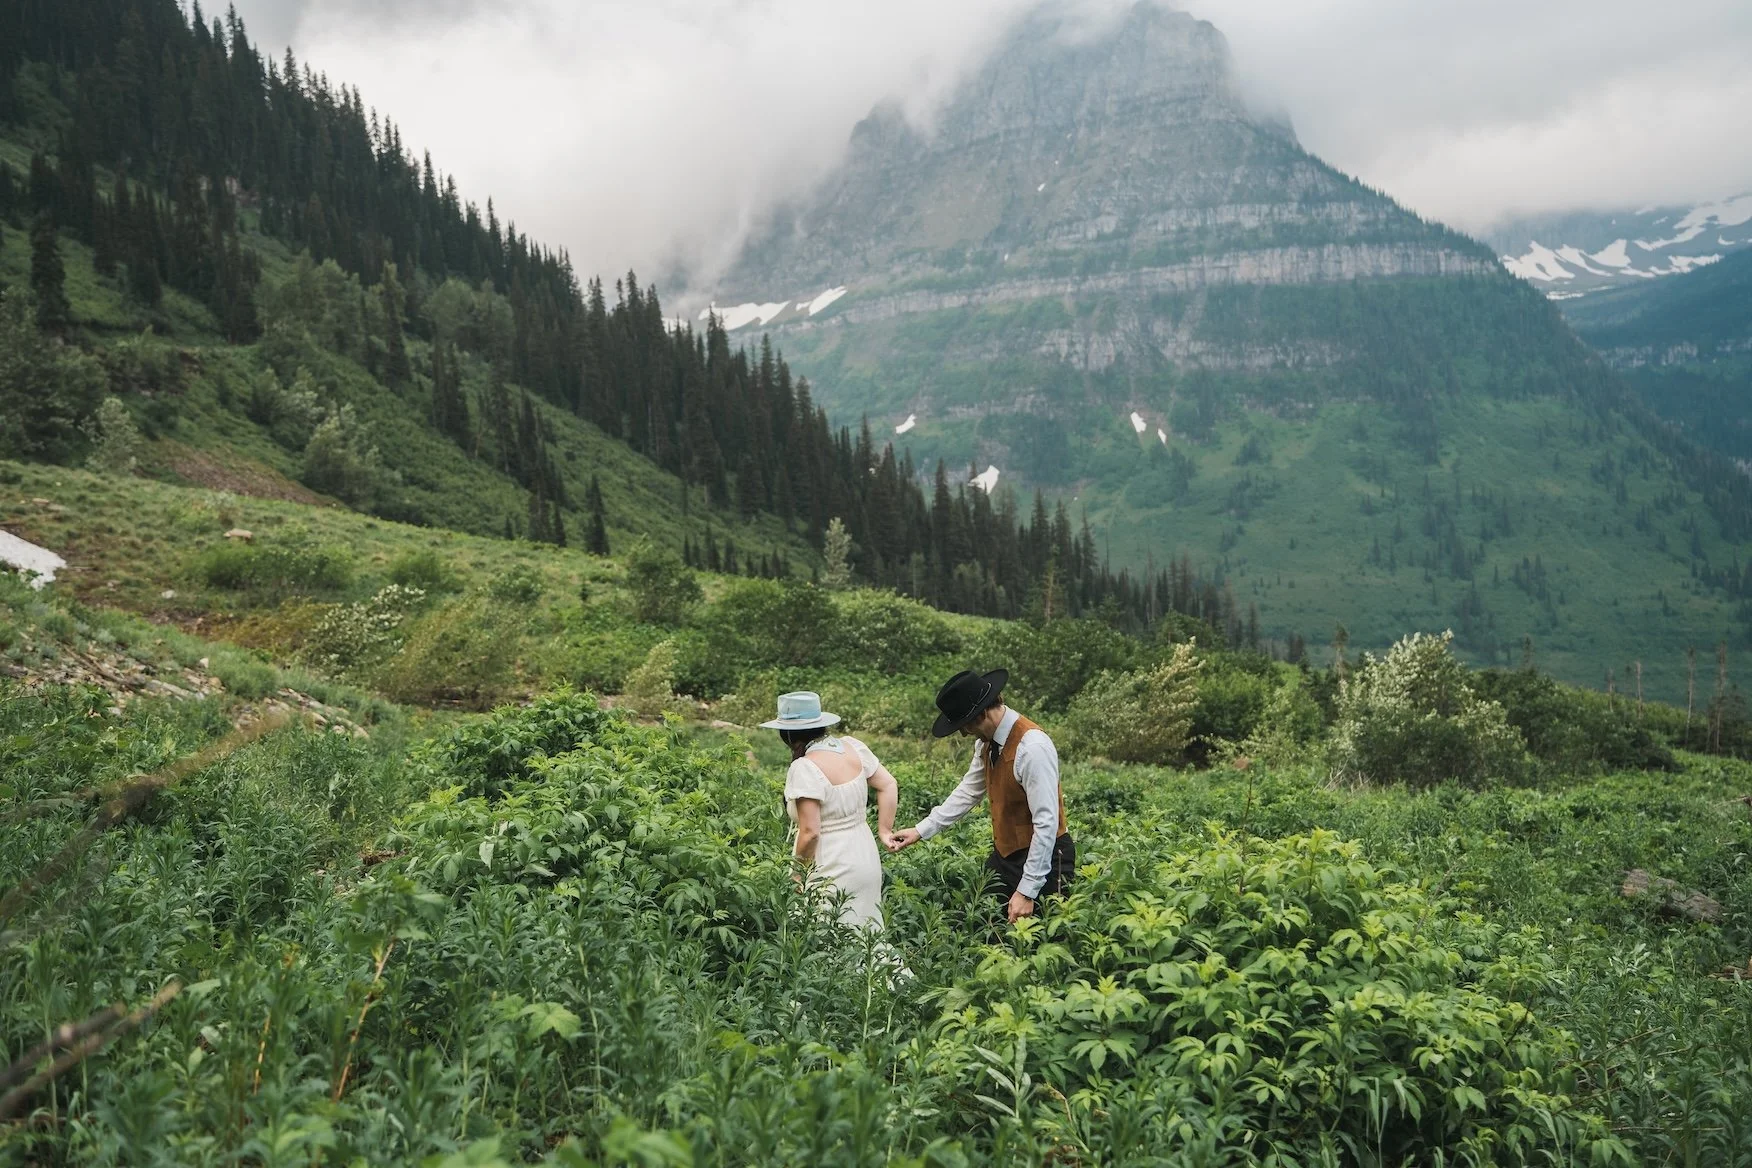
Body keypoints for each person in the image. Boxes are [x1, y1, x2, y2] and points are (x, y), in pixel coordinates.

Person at [887, 668, 1073, 923]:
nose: (964, 733)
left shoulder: (1033, 748)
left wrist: (1027, 890)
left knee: (1040, 942)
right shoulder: (987, 742)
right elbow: (969, 790)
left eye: (964, 726)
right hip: (1006, 854)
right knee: (983, 922)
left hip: (1046, 859)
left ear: (983, 713)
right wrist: (921, 829)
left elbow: (1046, 824)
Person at [762, 690, 899, 931]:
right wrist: (885, 831)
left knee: (826, 937)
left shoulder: (805, 767)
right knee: (866, 934)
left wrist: (797, 875)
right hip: (864, 853)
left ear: (788, 734)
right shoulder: (853, 747)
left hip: (830, 861)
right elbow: (888, 784)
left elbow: (811, 832)